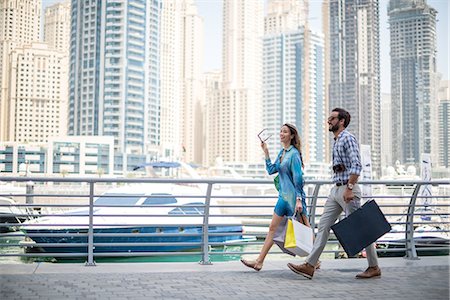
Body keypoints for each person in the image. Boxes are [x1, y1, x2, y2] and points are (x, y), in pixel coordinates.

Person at [287, 108, 381, 279]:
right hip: (336, 190)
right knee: (323, 226)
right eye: (329, 118)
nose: (328, 121)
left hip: (347, 190)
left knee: (361, 228)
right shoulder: (337, 140)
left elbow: (356, 165)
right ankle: (310, 265)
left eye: (332, 118)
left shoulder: (348, 138)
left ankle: (374, 266)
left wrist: (350, 188)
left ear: (342, 121)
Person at [240, 123, 311, 271]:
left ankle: (313, 261)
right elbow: (272, 170)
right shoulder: (282, 153)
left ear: (291, 136)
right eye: (280, 131)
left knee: (305, 229)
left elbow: (298, 178)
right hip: (282, 198)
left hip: (294, 200)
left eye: (284, 132)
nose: (281, 134)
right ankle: (259, 261)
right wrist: (266, 152)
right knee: (272, 228)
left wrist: (299, 200)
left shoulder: (294, 154)